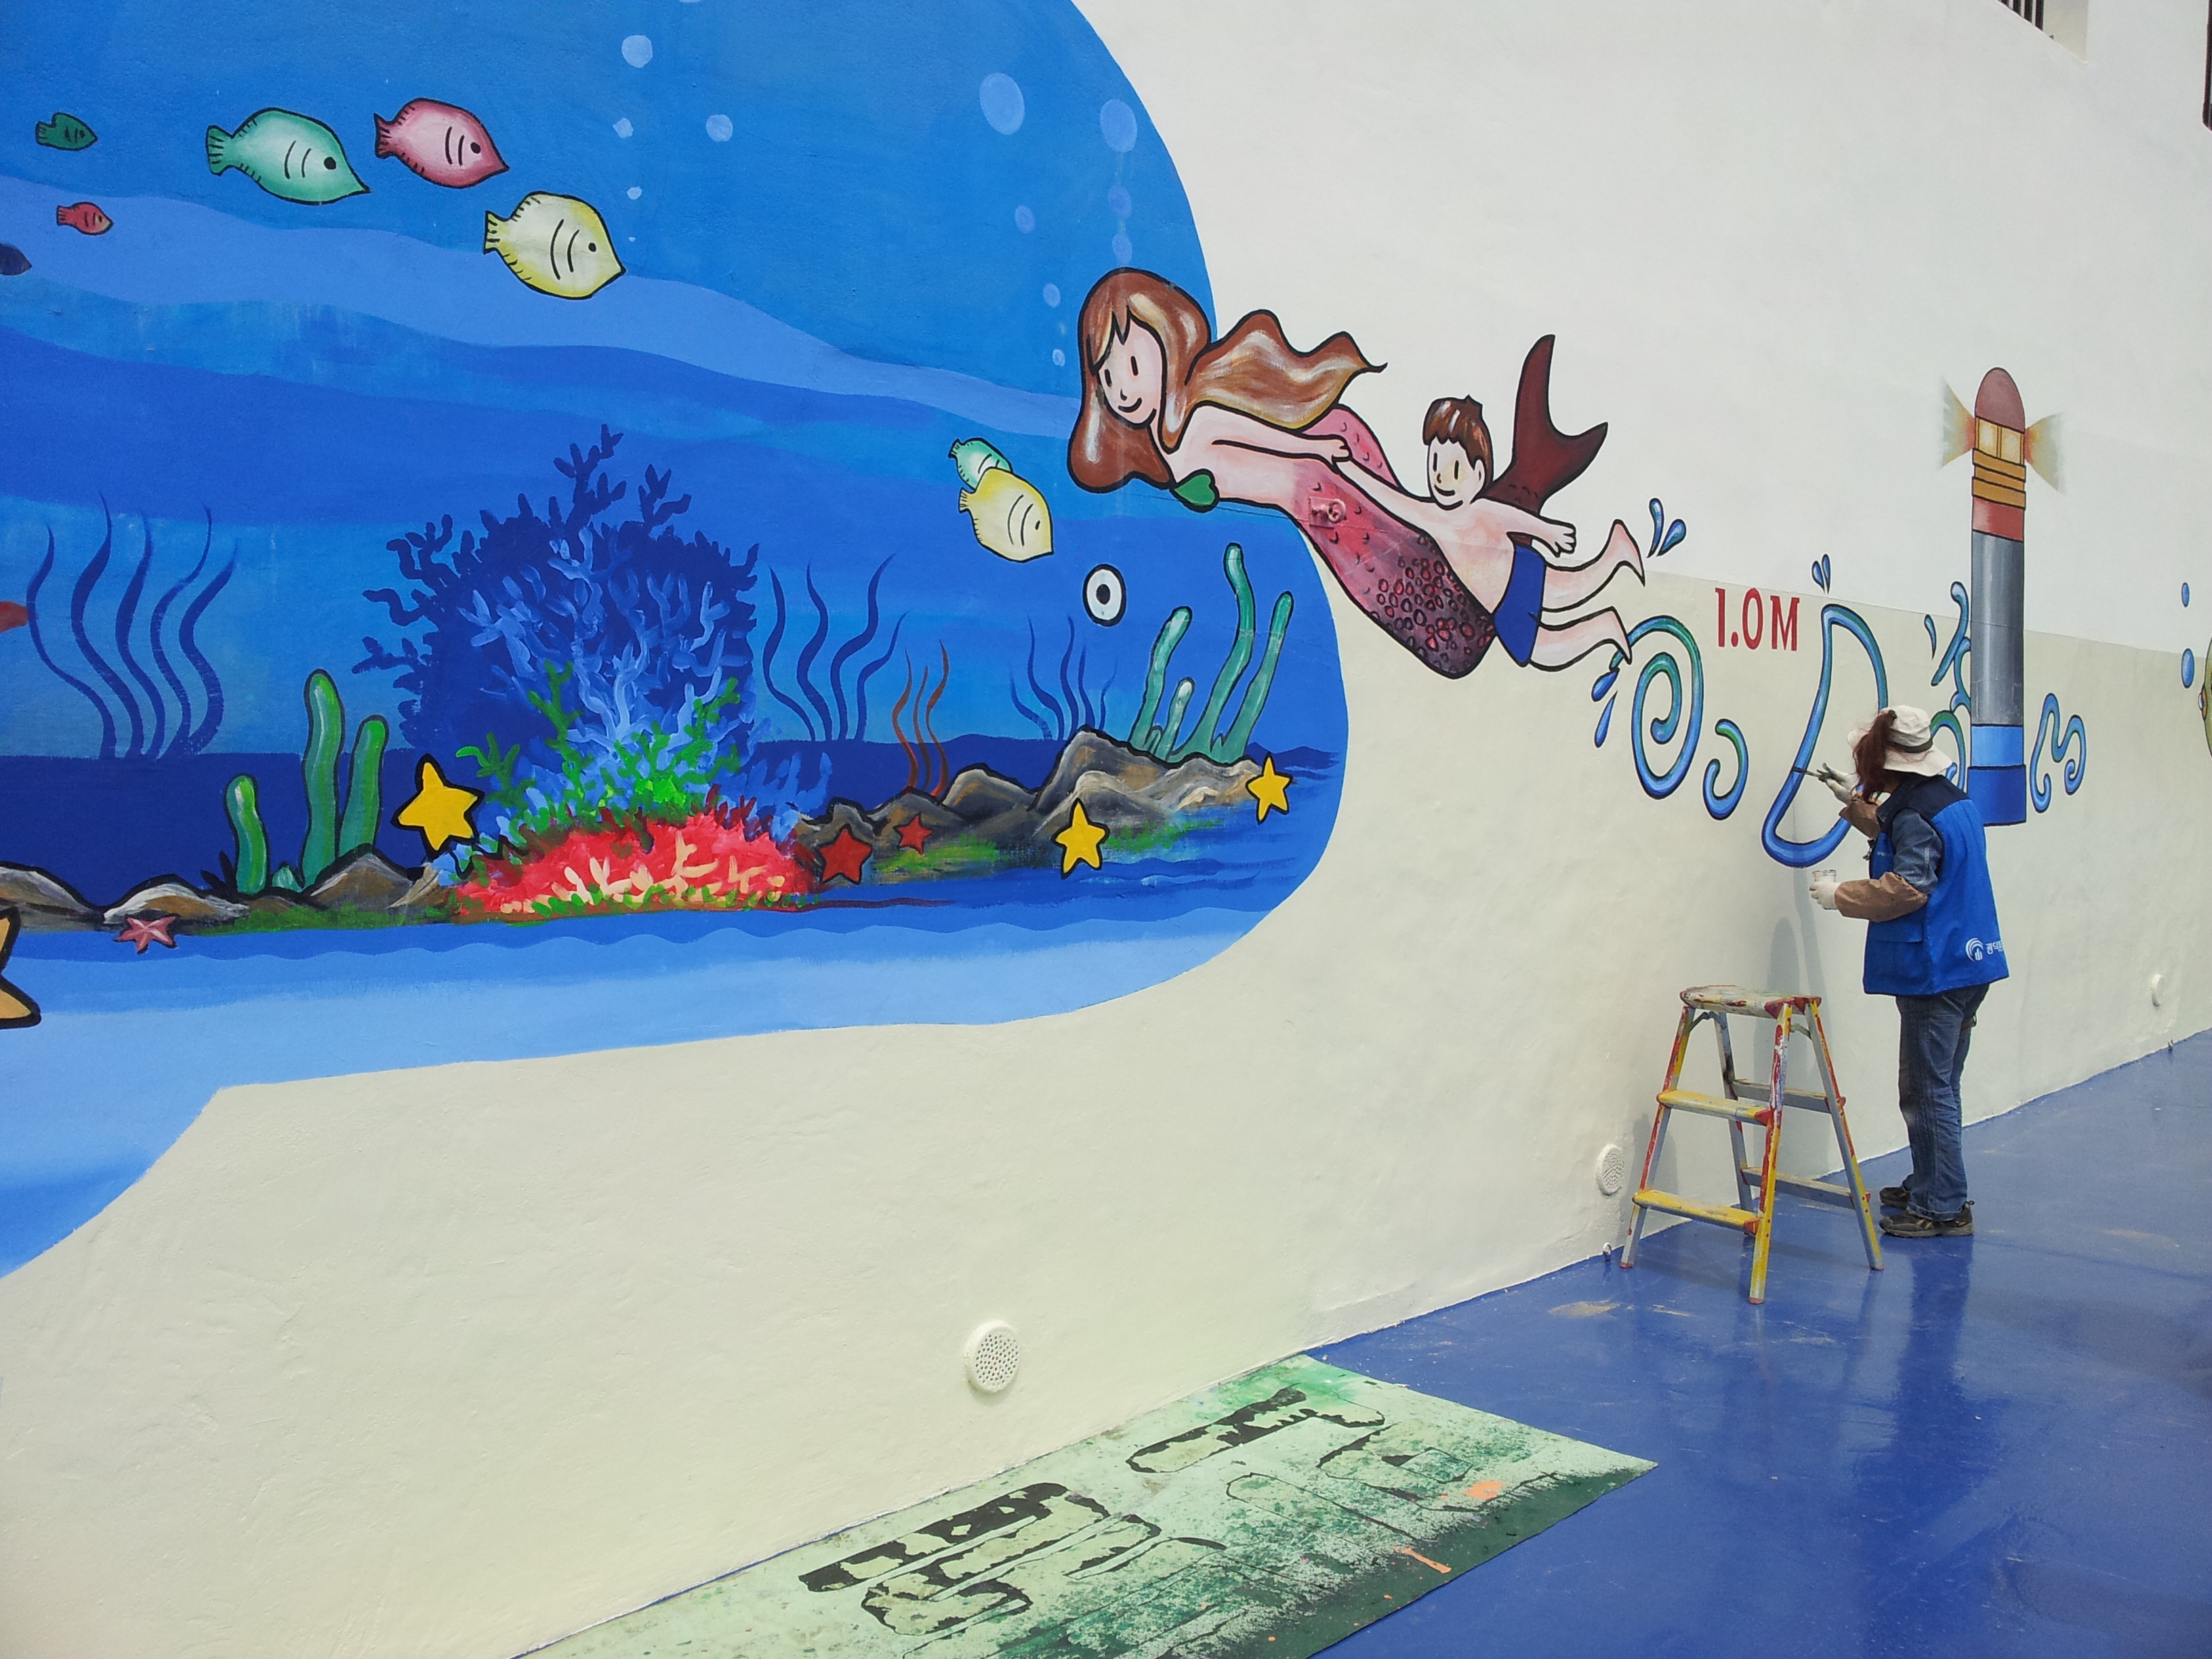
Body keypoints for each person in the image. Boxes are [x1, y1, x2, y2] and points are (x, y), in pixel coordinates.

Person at [1066, 270, 1609, 680]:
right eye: (1109, 378)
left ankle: (1527, 589)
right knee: (1416, 568)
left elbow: (1265, 438)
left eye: (1133, 367)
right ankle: (1531, 588)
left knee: (1419, 563)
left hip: (1323, 493)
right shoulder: (1166, 449)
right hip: (1317, 510)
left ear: (1167, 342)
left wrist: (1319, 449)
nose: (1124, 390)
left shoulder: (1196, 423)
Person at [1810, 705, 2007, 1238]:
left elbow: (1908, 887)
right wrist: (1854, 805)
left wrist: (1840, 896)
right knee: (1940, 1083)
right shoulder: (1948, 800)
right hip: (1969, 962)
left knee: (1925, 1090)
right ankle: (1933, 1181)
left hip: (1936, 971)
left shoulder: (1915, 812)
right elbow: (1904, 831)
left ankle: (1942, 1205)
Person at [1334, 395, 1642, 669]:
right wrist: (1348, 468)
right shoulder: (1432, 517)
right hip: (1502, 603)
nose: (1442, 479)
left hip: (1518, 571)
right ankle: (1606, 618)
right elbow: (1390, 499)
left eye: (1456, 470)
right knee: (1546, 641)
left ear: (1479, 474)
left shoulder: (1479, 510)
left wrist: (1547, 531)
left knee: (1563, 603)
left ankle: (1613, 572)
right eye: (1436, 465)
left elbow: (1513, 519)